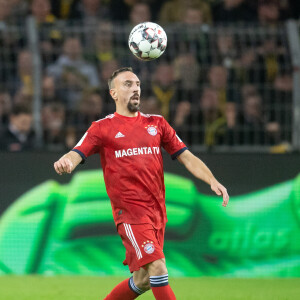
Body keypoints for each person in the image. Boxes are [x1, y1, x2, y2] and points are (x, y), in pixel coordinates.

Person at [53, 67, 229, 300]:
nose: (135, 88)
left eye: (137, 84)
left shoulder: (157, 123)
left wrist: (212, 180)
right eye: (127, 84)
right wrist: (67, 161)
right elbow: (77, 152)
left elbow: (186, 155)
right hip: (131, 213)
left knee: (143, 280)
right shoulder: (102, 128)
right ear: (113, 93)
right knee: (158, 268)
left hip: (157, 212)